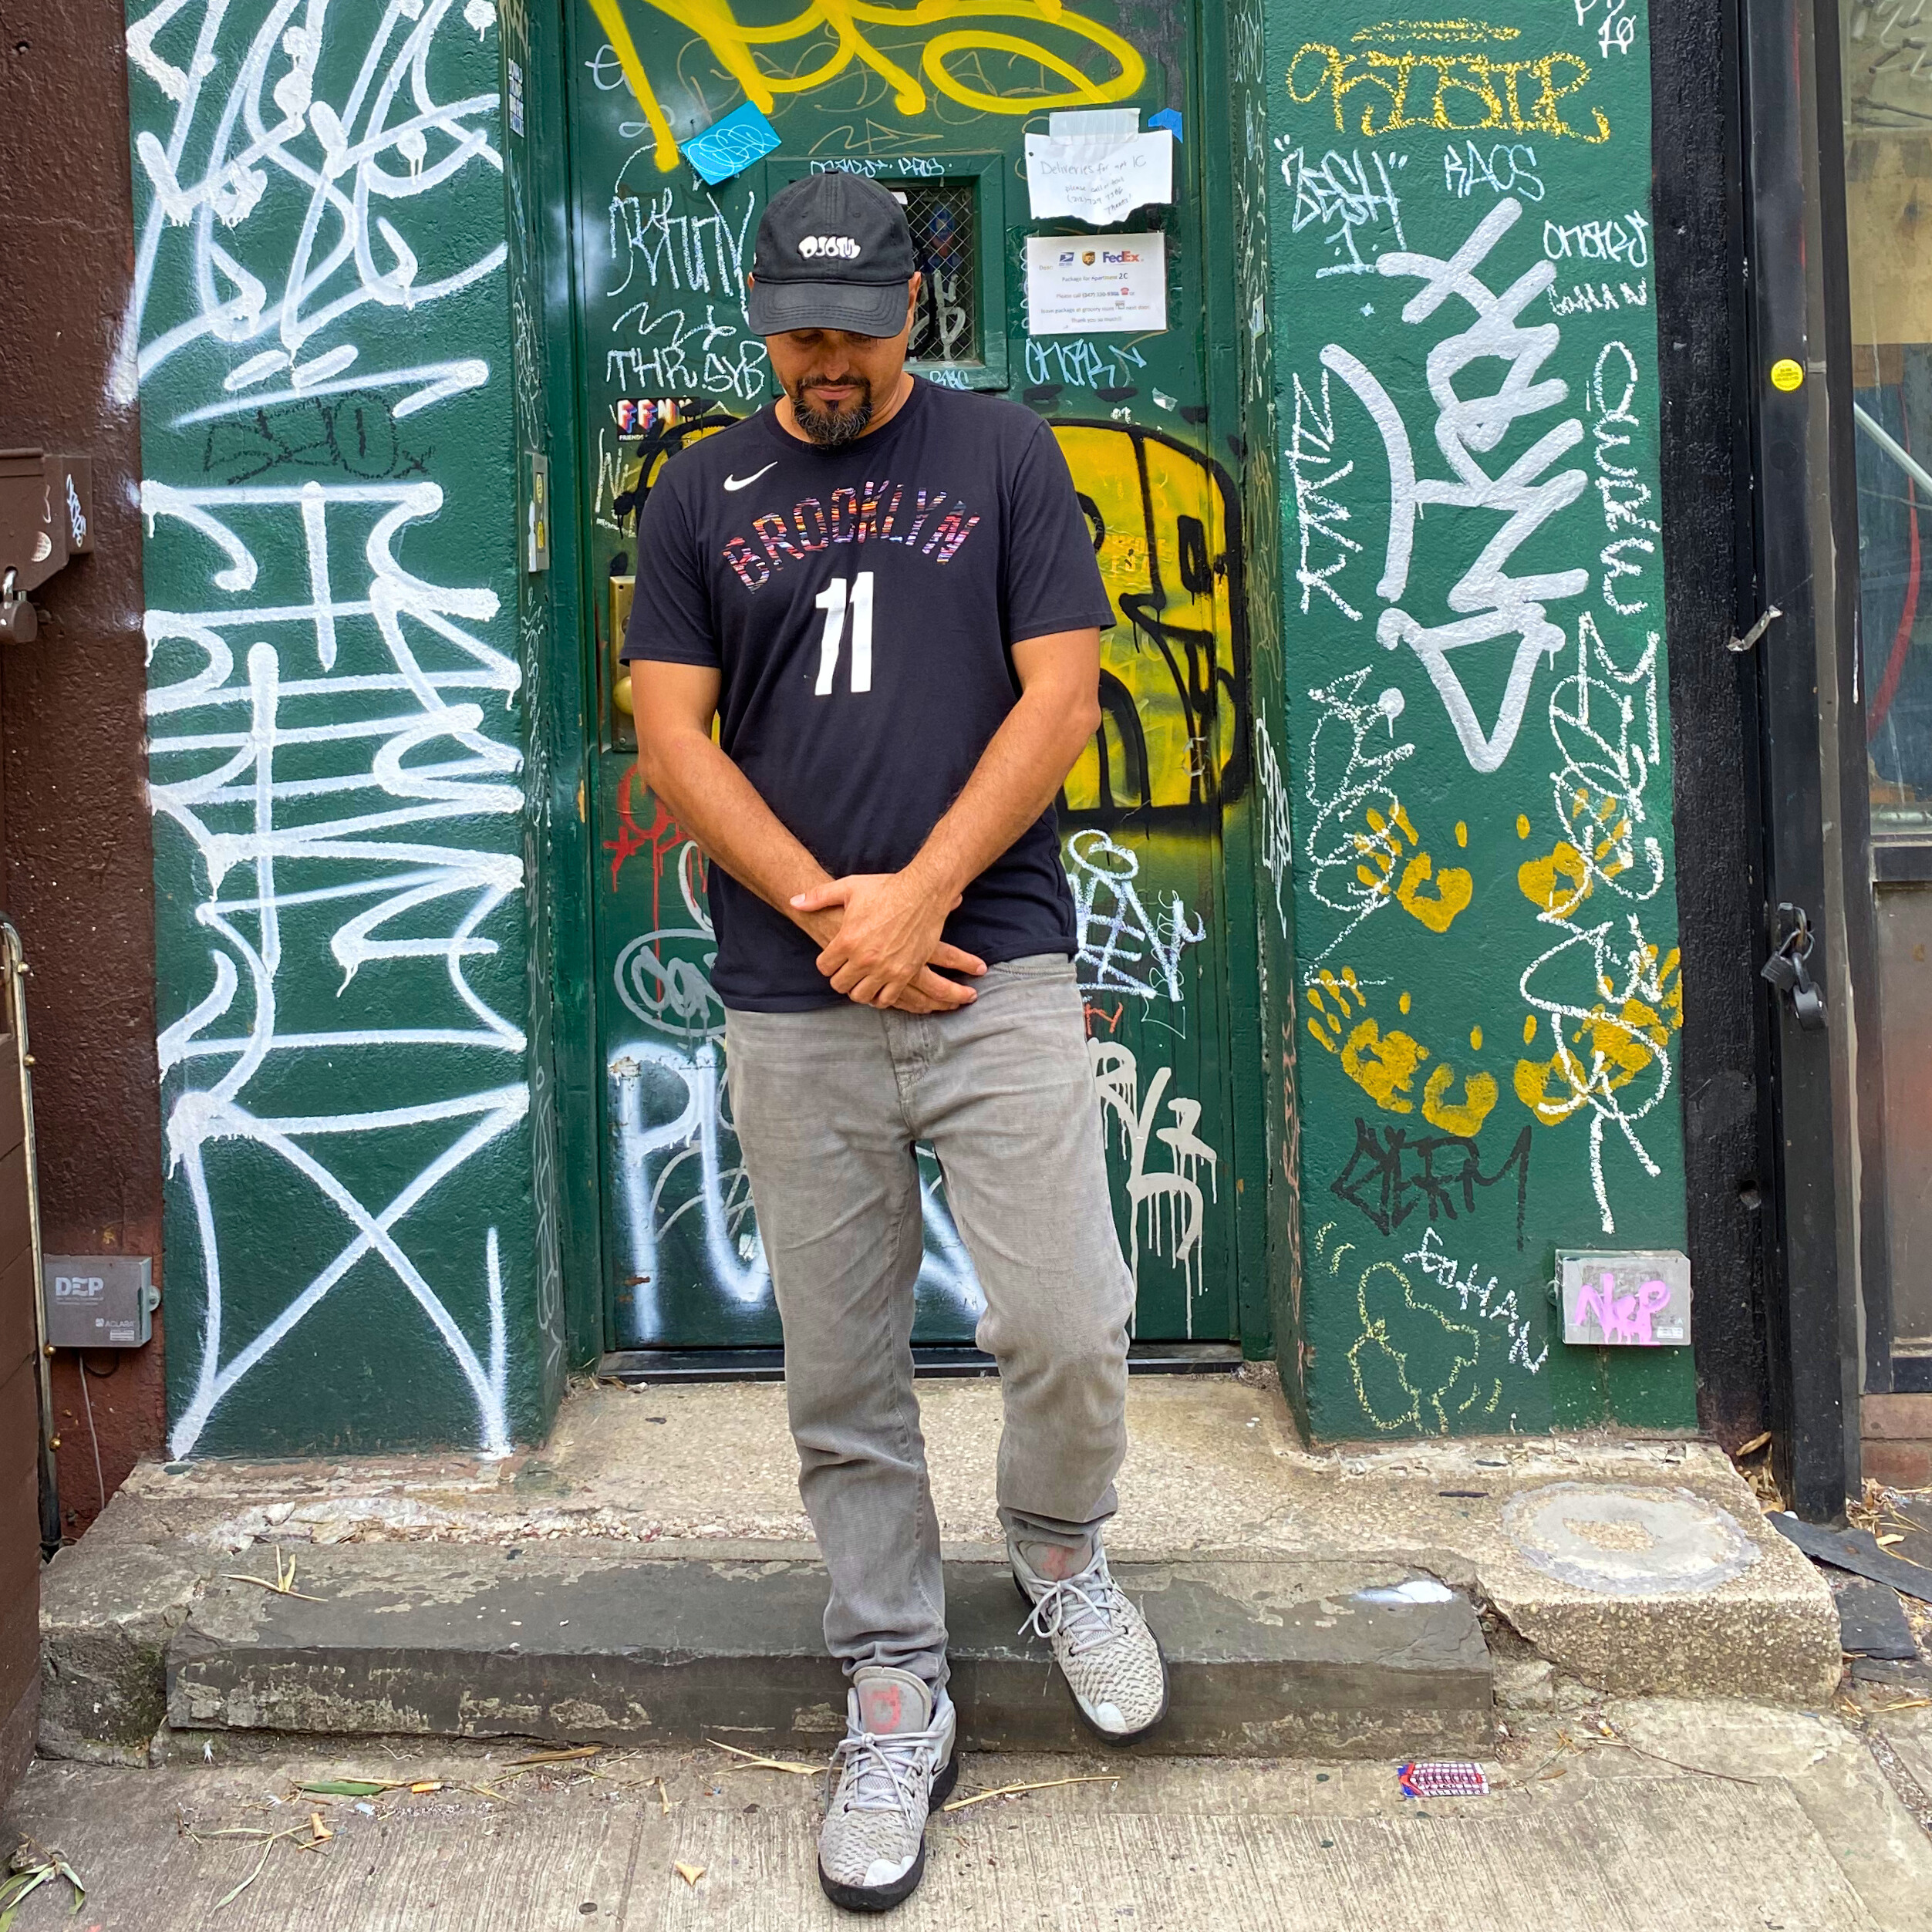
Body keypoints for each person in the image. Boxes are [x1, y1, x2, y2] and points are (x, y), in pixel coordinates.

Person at [624, 171, 1168, 1914]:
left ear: (912, 310)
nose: (826, 360)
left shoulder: (1002, 457)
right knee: (839, 1365)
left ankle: (1059, 1546)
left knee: (1068, 1317)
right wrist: (827, 918)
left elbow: (1059, 698)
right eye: (797, 332)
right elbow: (672, 737)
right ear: (760, 317)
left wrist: (916, 897)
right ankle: (890, 1673)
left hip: (993, 965)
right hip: (794, 998)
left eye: (853, 330)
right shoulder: (698, 490)